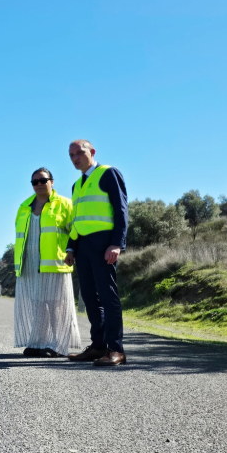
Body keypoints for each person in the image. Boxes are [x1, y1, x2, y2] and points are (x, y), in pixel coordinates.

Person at [64, 139, 129, 366]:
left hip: (104, 243)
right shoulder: (76, 185)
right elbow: (77, 220)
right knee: (90, 298)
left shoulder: (108, 173)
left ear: (91, 152)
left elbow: (121, 210)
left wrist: (116, 244)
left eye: (79, 153)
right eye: (71, 155)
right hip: (82, 246)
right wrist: (71, 247)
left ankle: (116, 349)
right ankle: (98, 346)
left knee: (107, 296)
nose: (75, 158)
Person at [13, 167, 82, 357]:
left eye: (43, 180)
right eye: (35, 182)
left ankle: (59, 346)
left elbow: (75, 232)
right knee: (37, 304)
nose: (39, 184)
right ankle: (38, 342)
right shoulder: (24, 207)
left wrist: (71, 251)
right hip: (29, 264)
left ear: (52, 182)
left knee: (56, 305)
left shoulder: (65, 204)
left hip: (55, 263)